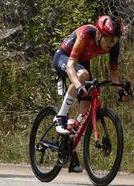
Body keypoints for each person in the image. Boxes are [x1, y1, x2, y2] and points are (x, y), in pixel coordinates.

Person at [52, 15, 131, 172]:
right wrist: (78, 86)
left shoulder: (113, 45)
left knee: (86, 111)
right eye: (108, 39)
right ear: (99, 34)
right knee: (83, 76)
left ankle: (71, 150)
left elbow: (113, 72)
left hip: (82, 62)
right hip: (64, 58)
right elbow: (70, 66)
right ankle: (60, 116)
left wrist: (121, 90)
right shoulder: (86, 34)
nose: (111, 43)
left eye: (114, 39)